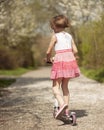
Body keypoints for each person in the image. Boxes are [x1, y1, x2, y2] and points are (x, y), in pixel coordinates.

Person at [46, 15, 80, 119]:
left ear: (54, 27)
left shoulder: (55, 36)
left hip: (59, 61)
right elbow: (75, 51)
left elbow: (48, 51)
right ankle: (66, 112)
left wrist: (48, 58)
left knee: (55, 87)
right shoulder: (69, 36)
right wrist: (70, 56)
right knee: (65, 87)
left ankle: (61, 104)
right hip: (70, 61)